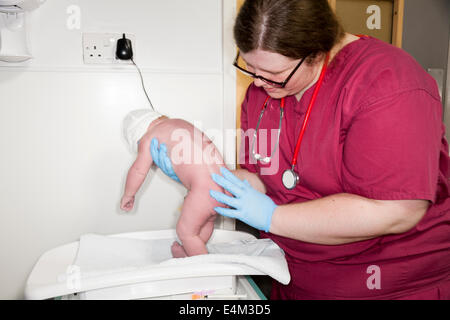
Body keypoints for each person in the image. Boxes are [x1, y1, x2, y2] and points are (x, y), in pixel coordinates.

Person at [150, 0, 450, 299]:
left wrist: (273, 218)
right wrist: (210, 180)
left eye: (272, 72)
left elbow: (397, 211)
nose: (257, 81)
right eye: (248, 66)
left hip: (388, 284)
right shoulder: (264, 92)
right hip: (294, 276)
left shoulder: (388, 84)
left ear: (318, 52)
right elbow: (263, 178)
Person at [120, 109, 226, 258]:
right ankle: (190, 250)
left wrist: (128, 194)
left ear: (138, 137)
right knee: (206, 221)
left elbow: (138, 170)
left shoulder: (148, 137)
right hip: (226, 185)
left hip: (203, 192)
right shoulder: (178, 123)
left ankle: (205, 268)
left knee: (185, 232)